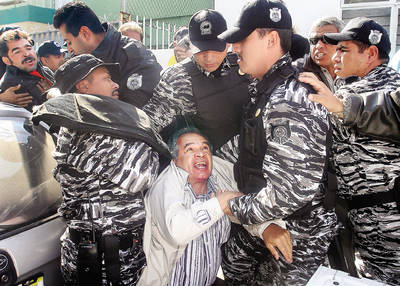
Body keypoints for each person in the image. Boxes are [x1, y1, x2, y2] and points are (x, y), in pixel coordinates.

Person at [217, 0, 338, 284]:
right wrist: (203, 157)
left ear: (270, 39)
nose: (234, 49)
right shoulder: (270, 88)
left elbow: (289, 191)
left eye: (240, 40)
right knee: (232, 265)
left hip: (301, 229)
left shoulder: (288, 99)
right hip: (272, 216)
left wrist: (230, 207)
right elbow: (252, 143)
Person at [32, 54, 170, 286]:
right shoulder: (85, 131)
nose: (116, 84)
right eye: (106, 78)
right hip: (105, 261)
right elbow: (142, 174)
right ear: (83, 85)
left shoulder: (97, 124)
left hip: (113, 252)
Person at [299, 17, 400, 285]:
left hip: (388, 224)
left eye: (344, 50)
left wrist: (343, 106)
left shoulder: (383, 89)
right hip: (364, 220)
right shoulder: (346, 88)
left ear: (371, 53)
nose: (335, 57)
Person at [138, 127, 291, 286]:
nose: (200, 154)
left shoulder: (216, 173)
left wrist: (267, 226)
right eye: (189, 149)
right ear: (175, 159)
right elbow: (177, 230)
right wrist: (220, 203)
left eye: (204, 148)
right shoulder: (165, 186)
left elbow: (248, 198)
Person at [144, 9, 250, 150]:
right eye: (201, 50)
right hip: (210, 163)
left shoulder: (246, 64)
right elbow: (149, 126)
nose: (209, 58)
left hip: (253, 155)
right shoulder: (177, 79)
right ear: (190, 44)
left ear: (227, 44)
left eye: (215, 49)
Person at [53, 1, 162, 107]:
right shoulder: (79, 58)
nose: (69, 49)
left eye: (69, 42)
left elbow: (135, 117)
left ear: (85, 33)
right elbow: (58, 88)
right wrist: (57, 96)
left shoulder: (135, 57)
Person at [0, 29, 54, 112]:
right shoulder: (14, 84)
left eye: (28, 48)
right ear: (7, 60)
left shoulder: (44, 70)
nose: (26, 54)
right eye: (17, 52)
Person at [294, 16, 344, 91]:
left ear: (343, 42)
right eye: (314, 40)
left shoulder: (355, 69)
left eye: (327, 39)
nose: (318, 45)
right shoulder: (296, 72)